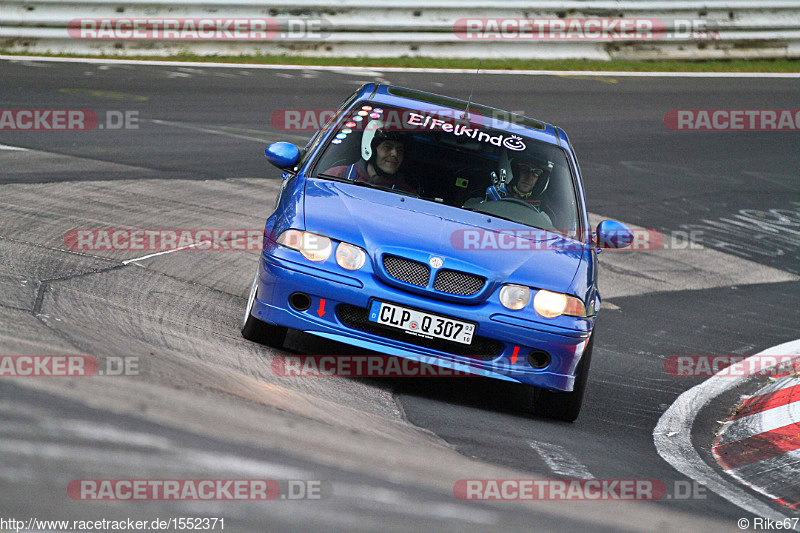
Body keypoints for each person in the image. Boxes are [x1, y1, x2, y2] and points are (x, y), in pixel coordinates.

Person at [324, 121, 420, 194]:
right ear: (370, 149)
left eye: (400, 150)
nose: (395, 154)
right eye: (387, 147)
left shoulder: (407, 193)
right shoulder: (337, 175)